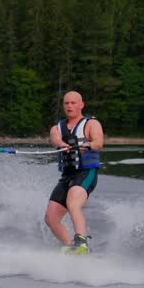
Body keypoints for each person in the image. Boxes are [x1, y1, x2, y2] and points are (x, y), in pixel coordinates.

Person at [45, 91, 104, 255]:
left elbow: (99, 142)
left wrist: (90, 145)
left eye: (73, 103)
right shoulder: (56, 128)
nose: (69, 106)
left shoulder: (91, 124)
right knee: (51, 218)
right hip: (67, 176)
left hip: (86, 172)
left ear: (81, 104)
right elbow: (54, 139)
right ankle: (70, 245)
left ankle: (81, 243)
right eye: (66, 103)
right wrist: (61, 144)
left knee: (73, 202)